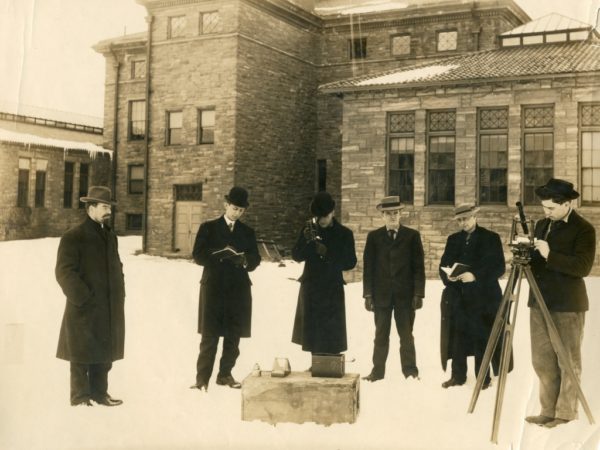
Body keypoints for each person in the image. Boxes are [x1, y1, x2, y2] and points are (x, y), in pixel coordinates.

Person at [525, 178, 596, 428]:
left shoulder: (584, 229)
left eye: (551, 208)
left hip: (567, 305)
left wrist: (549, 254)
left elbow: (582, 267)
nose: (546, 213)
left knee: (567, 360)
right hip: (539, 301)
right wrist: (524, 255)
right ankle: (547, 410)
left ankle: (565, 413)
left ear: (567, 204)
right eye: (544, 208)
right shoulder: (543, 225)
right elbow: (535, 263)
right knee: (542, 359)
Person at [55, 186, 125, 407]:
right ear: (91, 207)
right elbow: (64, 272)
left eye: (109, 207)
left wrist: (119, 293)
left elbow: (117, 267)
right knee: (81, 354)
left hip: (108, 306)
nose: (109, 211)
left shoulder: (110, 236)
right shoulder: (73, 237)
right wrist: (84, 298)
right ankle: (80, 397)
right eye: (104, 207)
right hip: (84, 306)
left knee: (104, 352)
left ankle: (99, 393)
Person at [190, 187, 261, 391]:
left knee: (233, 336)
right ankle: (202, 379)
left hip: (238, 290)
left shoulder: (247, 232)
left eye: (241, 210)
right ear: (226, 205)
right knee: (209, 336)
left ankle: (225, 374)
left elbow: (255, 259)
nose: (237, 213)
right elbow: (198, 255)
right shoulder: (208, 228)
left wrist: (244, 260)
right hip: (213, 288)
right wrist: (219, 254)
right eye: (234, 208)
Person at [439, 204, 505, 390]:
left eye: (466, 219)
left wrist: (475, 276)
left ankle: (483, 378)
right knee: (458, 336)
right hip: (459, 297)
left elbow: (499, 267)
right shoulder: (453, 239)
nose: (463, 223)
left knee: (481, 336)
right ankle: (457, 376)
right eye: (460, 220)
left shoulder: (491, 238)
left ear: (475, 217)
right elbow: (443, 265)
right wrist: (448, 275)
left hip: (484, 298)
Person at [362, 196, 425, 381]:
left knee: (406, 335)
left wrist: (418, 294)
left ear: (400, 214)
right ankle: (377, 372)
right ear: (382, 215)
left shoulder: (412, 236)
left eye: (395, 213)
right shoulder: (373, 237)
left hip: (405, 297)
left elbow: (418, 268)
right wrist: (368, 294)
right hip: (381, 296)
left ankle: (410, 371)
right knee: (380, 335)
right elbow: (368, 269)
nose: (392, 217)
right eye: (388, 214)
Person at [291, 192, 357, 359]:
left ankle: (331, 365)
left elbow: (350, 262)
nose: (322, 220)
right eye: (318, 217)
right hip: (311, 286)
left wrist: (327, 253)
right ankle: (316, 364)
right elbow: (296, 256)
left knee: (332, 331)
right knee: (313, 332)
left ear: (333, 212)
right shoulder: (309, 230)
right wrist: (307, 243)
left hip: (331, 287)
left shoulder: (344, 234)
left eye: (325, 216)